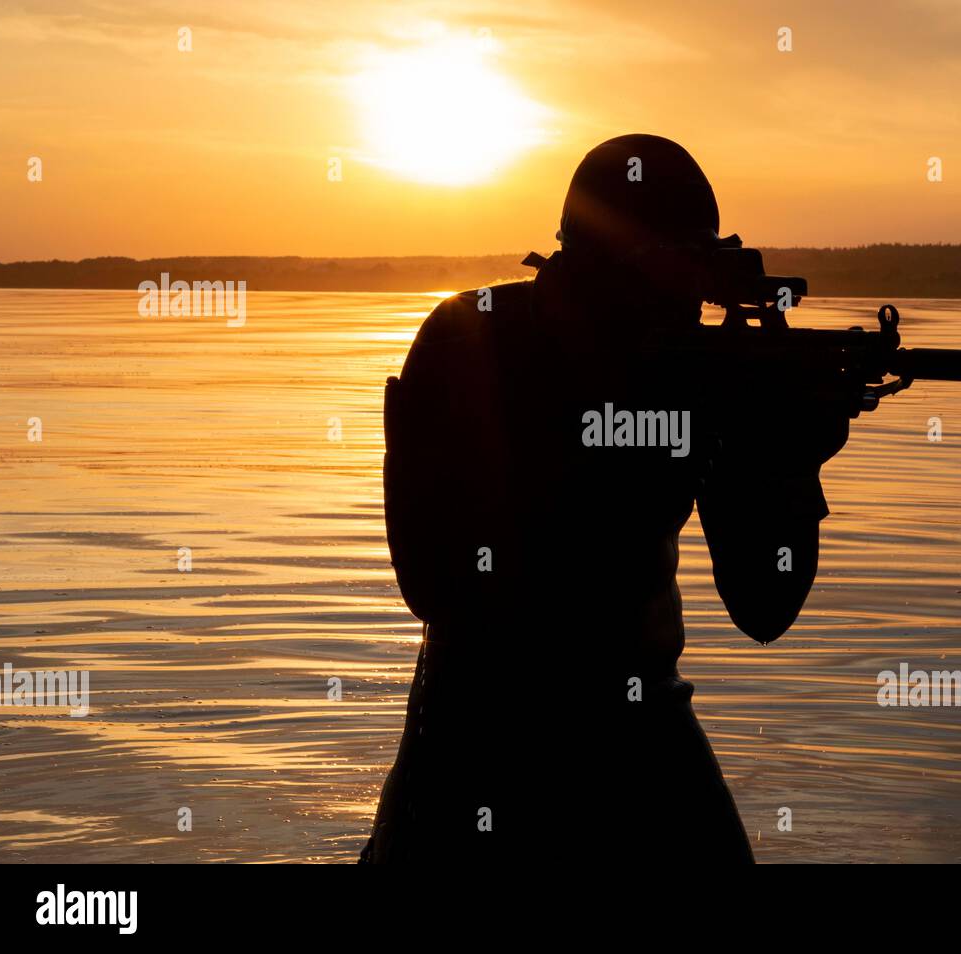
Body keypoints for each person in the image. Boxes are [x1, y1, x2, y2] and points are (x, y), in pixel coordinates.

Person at [360, 134, 848, 864]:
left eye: (696, 285)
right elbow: (433, 583)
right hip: (474, 734)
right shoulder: (470, 339)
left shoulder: (696, 372)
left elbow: (764, 606)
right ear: (583, 269)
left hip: (642, 720)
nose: (685, 310)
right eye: (662, 282)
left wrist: (783, 460)